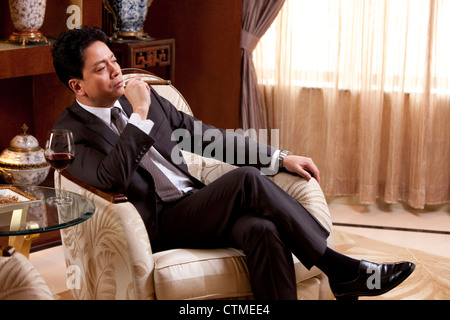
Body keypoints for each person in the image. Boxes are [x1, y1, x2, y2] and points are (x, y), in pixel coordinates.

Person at [51, 26, 414, 300]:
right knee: (245, 181)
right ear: (77, 86)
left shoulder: (145, 99)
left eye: (114, 60)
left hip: (194, 204)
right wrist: (140, 113)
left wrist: (279, 158)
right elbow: (110, 178)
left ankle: (338, 275)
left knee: (263, 230)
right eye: (101, 68)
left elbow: (206, 136)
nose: (116, 71)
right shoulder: (71, 133)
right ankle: (339, 268)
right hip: (157, 225)